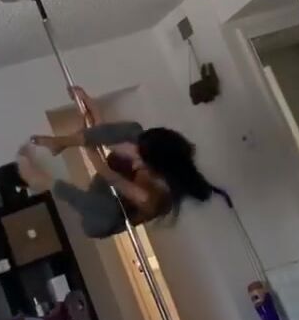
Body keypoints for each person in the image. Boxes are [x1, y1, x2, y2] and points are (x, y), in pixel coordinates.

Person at [17, 86, 214, 240]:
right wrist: (88, 104)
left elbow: (106, 172)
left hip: (102, 215)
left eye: (140, 161)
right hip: (110, 181)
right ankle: (59, 143)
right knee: (135, 131)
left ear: (157, 169)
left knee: (108, 210)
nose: (135, 163)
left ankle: (40, 179)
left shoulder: (149, 198)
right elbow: (108, 137)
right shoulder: (164, 152)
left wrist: (86, 141)